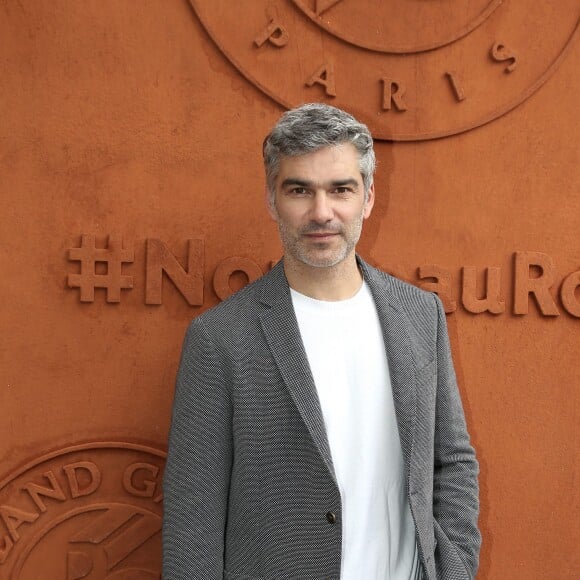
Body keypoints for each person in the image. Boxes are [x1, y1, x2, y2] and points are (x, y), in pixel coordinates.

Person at [162, 103, 481, 579]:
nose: (321, 213)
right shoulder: (220, 338)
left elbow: (451, 460)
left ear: (368, 197)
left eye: (341, 190)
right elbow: (194, 516)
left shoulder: (419, 315)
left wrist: (454, 567)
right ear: (272, 200)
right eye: (299, 190)